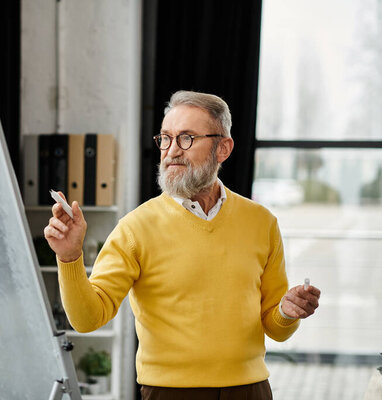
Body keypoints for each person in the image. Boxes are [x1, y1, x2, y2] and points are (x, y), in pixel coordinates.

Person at [44, 90, 320, 399]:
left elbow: (276, 327)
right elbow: (87, 320)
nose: (172, 150)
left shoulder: (261, 222)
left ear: (223, 148)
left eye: (186, 138)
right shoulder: (136, 228)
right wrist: (69, 257)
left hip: (251, 390)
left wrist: (288, 311)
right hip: (169, 393)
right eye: (165, 138)